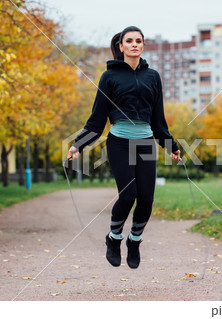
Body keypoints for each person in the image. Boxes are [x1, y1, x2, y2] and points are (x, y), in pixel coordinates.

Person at [67, 26, 181, 269]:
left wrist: (170, 144)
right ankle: (114, 238)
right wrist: (79, 144)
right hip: (119, 142)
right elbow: (97, 119)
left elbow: (158, 119)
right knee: (128, 195)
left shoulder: (153, 76)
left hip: (146, 142)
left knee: (147, 199)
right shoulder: (109, 77)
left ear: (143, 44)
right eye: (129, 41)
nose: (134, 45)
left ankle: (134, 241)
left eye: (138, 41)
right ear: (120, 46)